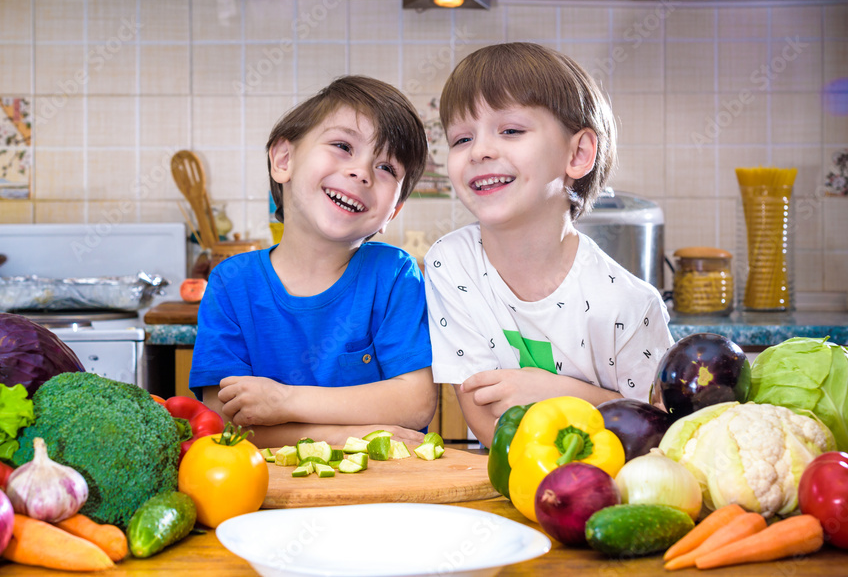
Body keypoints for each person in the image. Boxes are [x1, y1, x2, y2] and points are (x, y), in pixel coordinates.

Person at [424, 43, 674, 447]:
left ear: (577, 153)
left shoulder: (629, 305)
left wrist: (555, 393)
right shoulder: (452, 264)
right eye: (461, 139)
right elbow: (486, 421)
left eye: (511, 131)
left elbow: (656, 433)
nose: (480, 151)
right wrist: (600, 404)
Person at [190, 76, 438, 448]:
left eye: (387, 168)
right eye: (342, 146)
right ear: (284, 160)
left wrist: (284, 402)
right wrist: (341, 436)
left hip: (384, 492)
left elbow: (416, 403)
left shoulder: (394, 275)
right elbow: (227, 421)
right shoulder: (231, 283)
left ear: (394, 211)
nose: (362, 172)